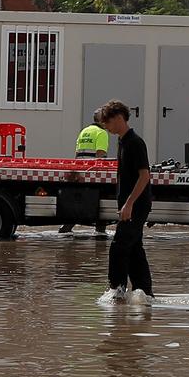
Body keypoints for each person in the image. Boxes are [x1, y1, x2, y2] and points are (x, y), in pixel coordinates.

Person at [100, 100, 153, 301]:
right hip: (130, 204)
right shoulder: (122, 141)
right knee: (134, 249)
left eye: (109, 122)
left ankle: (117, 292)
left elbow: (144, 176)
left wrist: (129, 204)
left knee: (119, 246)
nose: (106, 126)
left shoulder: (135, 143)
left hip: (137, 205)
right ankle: (145, 293)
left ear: (120, 118)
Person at [60, 118, 110, 236]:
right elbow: (100, 156)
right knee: (98, 202)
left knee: (79, 202)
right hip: (93, 173)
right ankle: (100, 232)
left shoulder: (84, 131)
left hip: (80, 172)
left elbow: (77, 154)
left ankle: (66, 228)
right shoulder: (101, 133)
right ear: (103, 121)